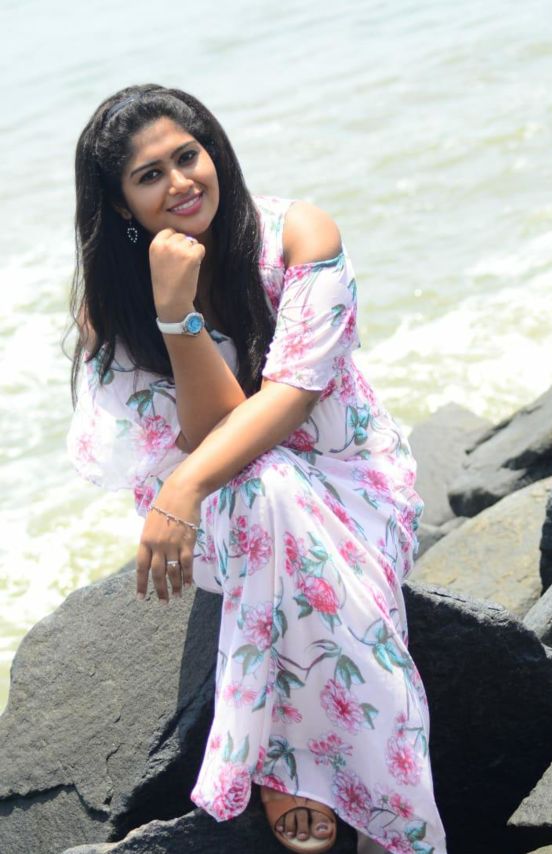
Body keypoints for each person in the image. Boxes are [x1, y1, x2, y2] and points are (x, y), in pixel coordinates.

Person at [67, 84, 448, 854]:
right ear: (119, 205)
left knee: (260, 482)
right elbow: (207, 434)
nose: (180, 183)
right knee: (259, 485)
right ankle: (360, 793)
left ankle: (279, 757)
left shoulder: (297, 235)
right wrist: (174, 314)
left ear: (214, 151)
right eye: (150, 176)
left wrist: (183, 485)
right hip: (231, 512)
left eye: (188, 156)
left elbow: (293, 399)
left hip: (349, 478)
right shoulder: (116, 306)